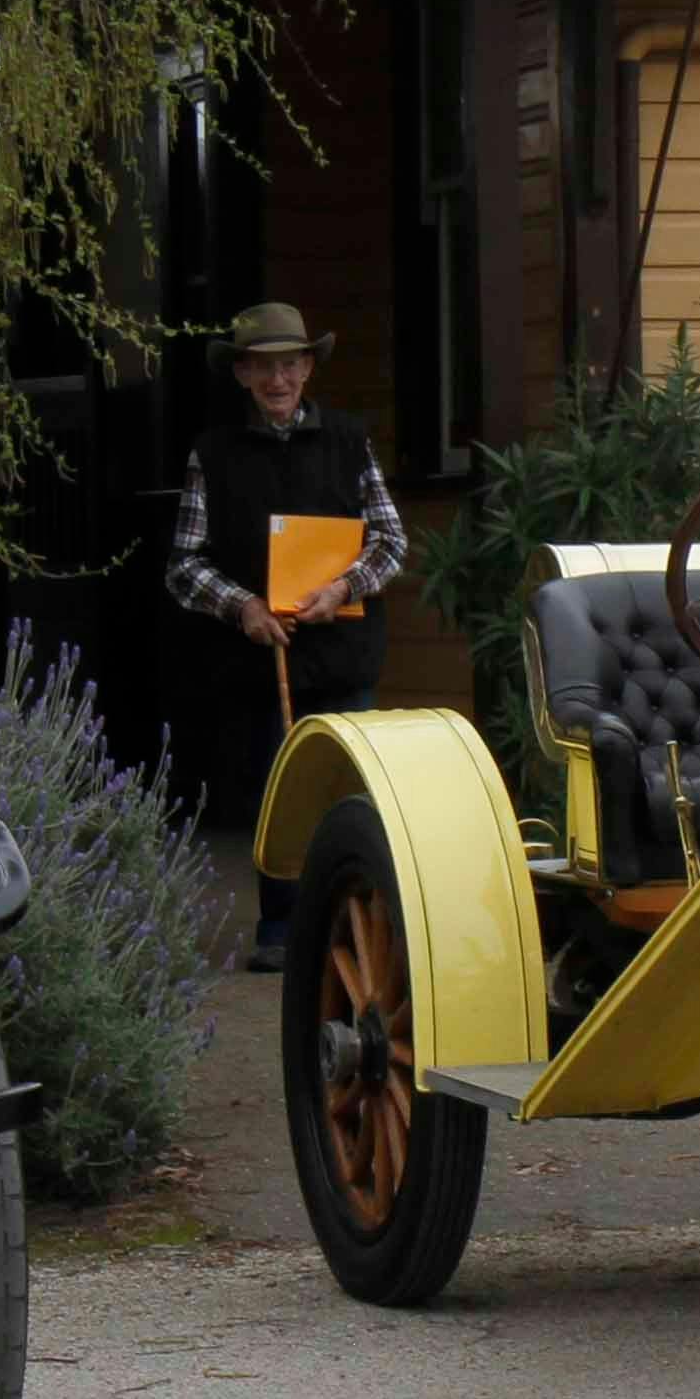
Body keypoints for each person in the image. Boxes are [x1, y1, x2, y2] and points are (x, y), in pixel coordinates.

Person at [166, 301, 400, 966]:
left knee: (352, 798)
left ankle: (353, 933)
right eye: (263, 368)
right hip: (259, 663)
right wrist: (241, 605)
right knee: (278, 800)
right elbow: (184, 565)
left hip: (344, 658)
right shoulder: (212, 453)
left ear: (308, 369)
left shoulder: (349, 441)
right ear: (242, 374)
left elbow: (390, 540)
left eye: (290, 365)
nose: (278, 380)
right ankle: (282, 929)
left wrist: (342, 589)